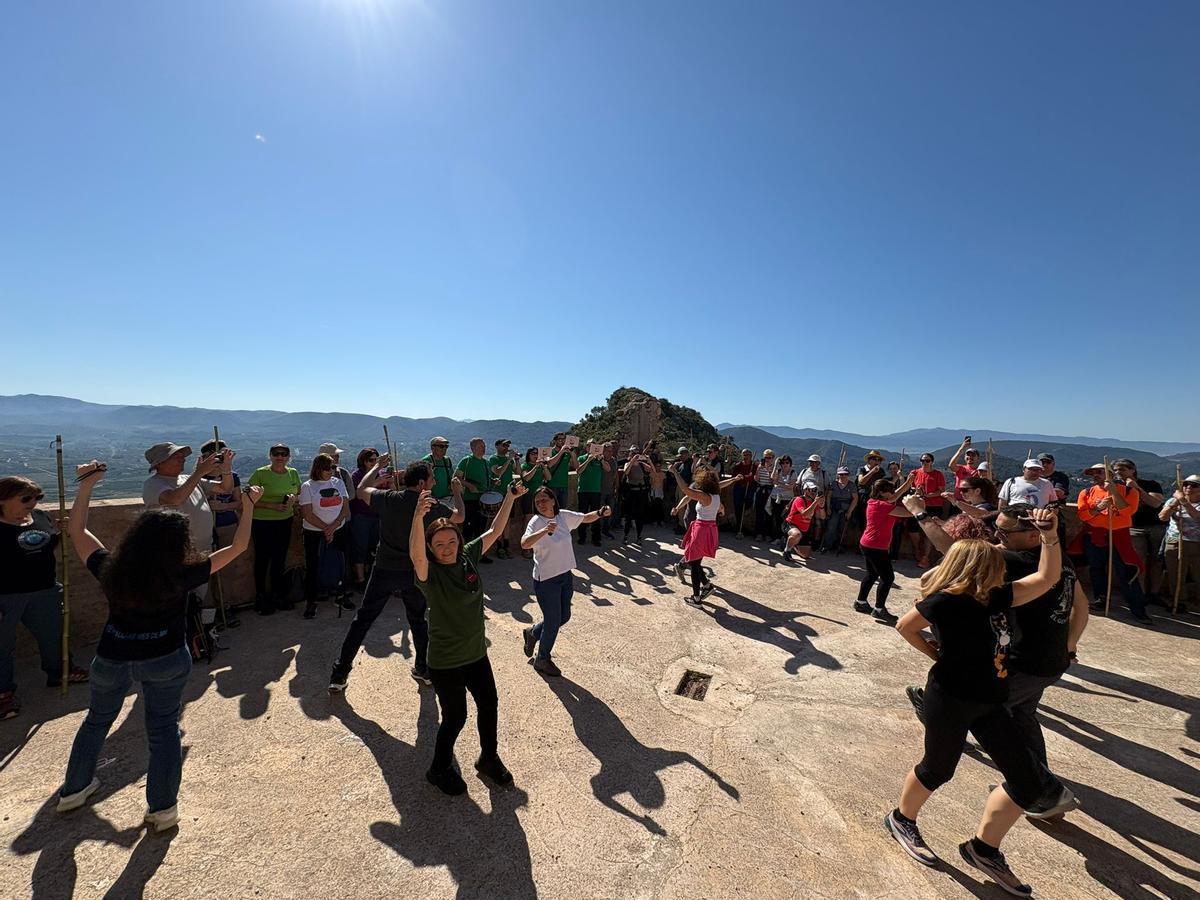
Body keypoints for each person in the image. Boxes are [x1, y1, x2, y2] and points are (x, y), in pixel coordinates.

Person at [57, 460, 261, 829]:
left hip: (112, 655)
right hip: (165, 656)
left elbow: (78, 531)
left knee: (96, 721)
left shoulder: (110, 567)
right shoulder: (184, 571)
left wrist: (86, 485)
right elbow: (240, 546)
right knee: (164, 730)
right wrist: (249, 506)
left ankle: (74, 789)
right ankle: (162, 808)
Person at [886, 508, 1076, 897]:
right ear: (976, 566)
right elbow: (905, 625)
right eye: (994, 561)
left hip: (992, 700)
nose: (1003, 568)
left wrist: (1050, 537)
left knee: (1028, 781)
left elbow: (1048, 577)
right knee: (938, 769)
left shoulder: (999, 596)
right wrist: (937, 656)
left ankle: (983, 849)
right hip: (950, 698)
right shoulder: (946, 602)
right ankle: (902, 819)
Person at [904, 497, 1090, 794]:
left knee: (994, 720)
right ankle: (1035, 785)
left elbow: (954, 554)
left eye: (1004, 534)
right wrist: (1070, 645)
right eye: (996, 531)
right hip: (1052, 661)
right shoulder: (1057, 559)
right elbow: (1081, 605)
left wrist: (918, 511)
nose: (996, 538)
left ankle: (1040, 792)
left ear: (1032, 535)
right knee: (1022, 717)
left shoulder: (1011, 562)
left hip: (1019, 661)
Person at [410, 479, 526, 795]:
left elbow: (494, 532)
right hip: (446, 660)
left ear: (459, 542)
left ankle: (488, 758)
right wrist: (418, 519)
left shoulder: (467, 557)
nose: (446, 549)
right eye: (439, 545)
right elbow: (416, 555)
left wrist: (509, 499)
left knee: (489, 705)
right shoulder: (429, 575)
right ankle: (438, 768)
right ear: (432, 549)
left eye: (451, 542)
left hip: (476, 653)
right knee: (455, 717)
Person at [330, 458, 464, 691]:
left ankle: (340, 674)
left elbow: (361, 490)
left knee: (363, 620)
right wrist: (456, 492)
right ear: (422, 483)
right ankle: (423, 669)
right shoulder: (431, 505)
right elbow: (459, 517)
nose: (434, 481)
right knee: (418, 620)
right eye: (431, 478)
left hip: (384, 569)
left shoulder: (389, 499)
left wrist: (376, 469)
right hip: (414, 571)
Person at [0, 476, 88, 720]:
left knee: (54, 635)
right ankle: (3, 694)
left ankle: (60, 671)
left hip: (45, 589)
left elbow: (45, 545)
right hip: (6, 596)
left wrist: (59, 534)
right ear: (2, 499)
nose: (33, 503)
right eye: (26, 498)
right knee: (1, 647)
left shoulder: (40, 517)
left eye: (37, 498)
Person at [520, 487, 610, 676]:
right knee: (553, 621)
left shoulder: (563, 517)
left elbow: (585, 517)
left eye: (545, 499)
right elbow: (525, 543)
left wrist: (601, 512)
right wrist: (544, 531)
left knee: (564, 616)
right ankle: (542, 659)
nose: (541, 504)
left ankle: (534, 633)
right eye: (537, 502)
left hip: (565, 575)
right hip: (545, 580)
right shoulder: (536, 522)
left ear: (553, 501)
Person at [1077, 463, 1151, 623]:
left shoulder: (1130, 491)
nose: (1095, 475)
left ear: (1110, 474)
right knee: (1096, 569)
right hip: (1094, 534)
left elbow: (1127, 511)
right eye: (1092, 473)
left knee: (1127, 571)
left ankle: (1138, 608)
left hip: (1119, 535)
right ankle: (1101, 599)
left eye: (1099, 472)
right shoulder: (1086, 492)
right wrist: (1098, 509)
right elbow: (1083, 515)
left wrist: (1114, 492)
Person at [142, 441, 226, 582]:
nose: (183, 459)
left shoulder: (187, 479)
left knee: (198, 594)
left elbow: (224, 488)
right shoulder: (153, 484)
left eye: (182, 456)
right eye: (177, 456)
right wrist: (199, 472)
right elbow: (174, 499)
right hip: (175, 552)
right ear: (160, 463)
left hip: (202, 549)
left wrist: (227, 470)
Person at [248, 444, 302, 615]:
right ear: (270, 456)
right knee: (262, 560)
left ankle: (278, 595)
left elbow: (299, 493)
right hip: (262, 522)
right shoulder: (260, 473)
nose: (280, 457)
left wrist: (293, 500)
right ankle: (261, 597)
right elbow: (248, 497)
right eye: (276, 454)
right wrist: (272, 506)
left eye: (284, 454)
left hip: (284, 521)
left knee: (279, 559)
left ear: (288, 456)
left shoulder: (293, 473)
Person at [299, 453, 353, 618]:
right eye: (327, 468)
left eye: (333, 467)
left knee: (342, 564)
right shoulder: (308, 486)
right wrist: (326, 529)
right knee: (313, 566)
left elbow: (345, 507)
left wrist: (333, 526)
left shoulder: (338, 482)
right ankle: (311, 601)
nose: (331, 471)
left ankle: (341, 594)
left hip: (338, 529)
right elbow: (307, 514)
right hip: (314, 532)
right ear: (318, 469)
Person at [854, 475, 914, 624]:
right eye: (890, 490)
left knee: (872, 574)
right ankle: (879, 610)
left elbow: (894, 496)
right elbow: (909, 513)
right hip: (876, 547)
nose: (892, 493)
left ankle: (860, 602)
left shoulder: (873, 502)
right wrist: (917, 503)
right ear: (882, 492)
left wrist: (907, 483)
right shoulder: (885, 506)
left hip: (867, 544)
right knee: (888, 578)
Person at [672, 466, 723, 607]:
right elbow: (721, 506)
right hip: (710, 529)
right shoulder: (716, 496)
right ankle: (706, 586)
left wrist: (676, 472)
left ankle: (696, 599)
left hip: (701, 530)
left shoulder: (704, 496)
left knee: (694, 564)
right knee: (695, 562)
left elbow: (686, 490)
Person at [1117, 459, 1166, 603]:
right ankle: (1141, 594)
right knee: (1139, 562)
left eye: (1122, 469)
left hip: (1156, 526)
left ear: (1133, 470)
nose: (1119, 473)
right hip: (1134, 528)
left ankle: (1154, 594)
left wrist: (1137, 488)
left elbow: (1155, 503)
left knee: (1157, 561)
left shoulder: (1151, 484)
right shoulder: (1117, 488)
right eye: (1116, 470)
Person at [349, 448, 391, 590]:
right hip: (362, 517)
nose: (374, 463)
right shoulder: (357, 475)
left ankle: (370, 577)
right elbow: (358, 493)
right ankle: (360, 580)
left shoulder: (382, 474)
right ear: (363, 461)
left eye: (376, 460)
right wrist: (378, 482)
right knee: (360, 547)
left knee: (374, 548)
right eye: (371, 460)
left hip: (378, 516)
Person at [1161, 475, 1200, 611]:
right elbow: (1162, 517)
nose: (1189, 487)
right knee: (1175, 574)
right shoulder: (1174, 501)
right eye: (1186, 484)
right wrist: (1173, 505)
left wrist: (1183, 501)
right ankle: (1179, 601)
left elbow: (1197, 516)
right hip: (1174, 540)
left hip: (1196, 544)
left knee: (1197, 574)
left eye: (1194, 485)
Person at [455, 438, 492, 560]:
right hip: (469, 500)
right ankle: (465, 555)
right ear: (473, 448)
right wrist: (470, 486)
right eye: (481, 446)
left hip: (483, 500)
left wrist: (493, 481)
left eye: (484, 446)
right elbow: (456, 478)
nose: (484, 449)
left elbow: (487, 479)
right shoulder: (466, 461)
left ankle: (480, 554)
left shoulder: (486, 463)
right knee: (468, 529)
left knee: (481, 529)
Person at [907, 454, 947, 567]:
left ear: (932, 462)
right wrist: (916, 491)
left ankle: (925, 557)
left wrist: (928, 496)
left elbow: (941, 491)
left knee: (930, 532)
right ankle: (917, 551)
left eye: (927, 460)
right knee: (912, 529)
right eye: (922, 460)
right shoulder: (915, 472)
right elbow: (910, 486)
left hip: (933, 506)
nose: (924, 463)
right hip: (918, 505)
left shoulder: (938, 474)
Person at [489, 439, 521, 559]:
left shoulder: (510, 460)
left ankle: (506, 545)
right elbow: (498, 473)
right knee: (498, 521)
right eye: (504, 445)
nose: (506, 447)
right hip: (497, 494)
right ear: (497, 446)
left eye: (508, 445)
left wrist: (516, 460)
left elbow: (518, 472)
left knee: (507, 521)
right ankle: (499, 547)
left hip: (508, 494)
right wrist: (508, 459)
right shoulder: (493, 459)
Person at [574, 441, 610, 548]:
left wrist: (601, 459)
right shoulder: (582, 458)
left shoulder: (600, 459)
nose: (591, 447)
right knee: (582, 515)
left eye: (593, 446)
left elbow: (608, 469)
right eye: (589, 446)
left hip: (596, 491)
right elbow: (578, 471)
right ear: (587, 447)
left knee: (597, 515)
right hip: (583, 491)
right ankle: (582, 537)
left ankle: (596, 538)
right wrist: (588, 460)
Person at [518, 448, 551, 559]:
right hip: (528, 496)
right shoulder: (525, 466)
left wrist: (544, 467)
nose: (535, 455)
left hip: (539, 497)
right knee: (528, 520)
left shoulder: (541, 467)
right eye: (533, 454)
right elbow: (526, 478)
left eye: (537, 454)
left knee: (540, 520)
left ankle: (537, 546)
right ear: (528, 455)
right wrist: (535, 467)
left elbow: (549, 477)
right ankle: (526, 548)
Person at [781, 484, 823, 564]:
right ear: (805, 490)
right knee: (796, 534)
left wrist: (821, 505)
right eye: (811, 490)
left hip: (804, 529)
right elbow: (804, 514)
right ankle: (787, 551)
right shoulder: (799, 499)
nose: (813, 492)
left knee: (806, 555)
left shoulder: (813, 502)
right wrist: (815, 502)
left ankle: (791, 543)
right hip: (791, 525)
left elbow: (823, 516)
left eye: (815, 490)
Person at [821, 467, 858, 553]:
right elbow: (829, 496)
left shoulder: (851, 485)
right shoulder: (833, 484)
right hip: (834, 508)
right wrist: (828, 507)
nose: (843, 476)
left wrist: (849, 511)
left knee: (843, 528)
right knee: (831, 527)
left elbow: (855, 499)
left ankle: (839, 546)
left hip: (846, 508)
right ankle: (827, 545)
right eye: (841, 474)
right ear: (838, 475)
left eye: (845, 474)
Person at [620, 446, 652, 542]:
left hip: (641, 492)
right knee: (628, 515)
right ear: (630, 454)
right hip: (631, 492)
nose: (635, 455)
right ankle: (626, 535)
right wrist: (632, 461)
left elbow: (651, 470)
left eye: (636, 453)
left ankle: (639, 536)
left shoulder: (642, 465)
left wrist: (648, 461)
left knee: (640, 515)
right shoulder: (627, 464)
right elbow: (626, 472)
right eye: (633, 453)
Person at [854, 451, 887, 535]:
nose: (877, 461)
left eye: (879, 460)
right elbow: (861, 482)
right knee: (863, 519)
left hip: (876, 497)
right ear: (869, 460)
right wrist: (872, 472)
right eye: (875, 459)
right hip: (864, 497)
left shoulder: (881, 471)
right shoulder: (862, 469)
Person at [799, 455, 829, 545]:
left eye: (814, 462)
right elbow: (797, 484)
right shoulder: (804, 471)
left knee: (818, 522)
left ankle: (816, 541)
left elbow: (827, 487)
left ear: (819, 463)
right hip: (805, 499)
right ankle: (804, 539)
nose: (812, 464)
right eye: (810, 462)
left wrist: (823, 499)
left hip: (817, 500)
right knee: (804, 520)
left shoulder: (823, 473)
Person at [768, 456, 798, 540]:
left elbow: (791, 487)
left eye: (787, 462)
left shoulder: (793, 473)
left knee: (785, 518)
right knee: (776, 517)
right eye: (783, 463)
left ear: (790, 463)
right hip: (776, 497)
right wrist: (775, 465)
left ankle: (783, 537)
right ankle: (776, 537)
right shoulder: (778, 471)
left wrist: (779, 483)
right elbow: (772, 478)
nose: (785, 464)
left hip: (787, 499)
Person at [751, 449, 777, 540]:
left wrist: (770, 472)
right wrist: (758, 469)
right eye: (765, 457)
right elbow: (757, 479)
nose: (767, 459)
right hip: (760, 490)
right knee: (759, 512)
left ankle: (768, 534)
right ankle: (758, 533)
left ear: (773, 458)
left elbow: (773, 481)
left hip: (769, 491)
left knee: (768, 513)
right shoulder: (760, 466)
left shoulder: (775, 468)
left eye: (769, 458)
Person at [731, 449, 757, 538]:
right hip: (738, 488)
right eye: (744, 455)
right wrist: (746, 477)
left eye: (748, 455)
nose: (746, 457)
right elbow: (734, 477)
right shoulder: (738, 465)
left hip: (749, 488)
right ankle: (739, 528)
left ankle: (743, 523)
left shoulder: (754, 466)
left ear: (751, 455)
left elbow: (753, 477)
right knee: (738, 508)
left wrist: (743, 477)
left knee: (748, 502)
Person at [545, 433, 574, 509]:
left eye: (563, 439)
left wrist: (572, 453)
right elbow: (549, 464)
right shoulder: (550, 451)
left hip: (564, 485)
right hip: (552, 485)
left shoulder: (567, 453)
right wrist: (561, 451)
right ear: (555, 441)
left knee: (563, 510)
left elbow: (576, 466)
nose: (562, 441)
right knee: (551, 509)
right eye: (559, 439)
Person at [598, 442, 620, 539]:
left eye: (612, 451)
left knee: (609, 512)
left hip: (610, 490)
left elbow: (614, 474)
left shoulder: (613, 461)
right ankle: (598, 531)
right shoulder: (598, 461)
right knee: (599, 512)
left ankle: (606, 530)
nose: (611, 453)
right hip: (600, 490)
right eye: (608, 451)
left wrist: (616, 487)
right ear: (603, 451)